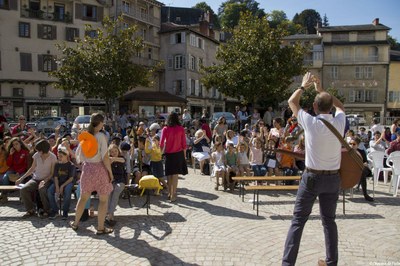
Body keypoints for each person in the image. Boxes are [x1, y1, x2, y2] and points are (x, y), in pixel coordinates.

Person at [282, 72, 346, 266]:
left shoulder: (310, 122)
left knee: (298, 221)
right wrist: (321, 89)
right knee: (329, 222)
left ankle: (287, 264)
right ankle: (331, 262)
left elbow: (292, 101)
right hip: (332, 178)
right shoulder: (339, 121)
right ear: (330, 107)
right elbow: (340, 106)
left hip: (312, 177)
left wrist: (303, 86)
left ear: (316, 107)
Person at [69, 113, 114, 235]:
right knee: (103, 200)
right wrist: (110, 173)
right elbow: (105, 157)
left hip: (87, 169)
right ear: (100, 123)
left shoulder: (85, 136)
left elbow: (79, 156)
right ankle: (100, 228)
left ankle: (75, 223)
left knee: (83, 198)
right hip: (100, 169)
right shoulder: (101, 137)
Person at [16, 139, 57, 218]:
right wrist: (21, 178)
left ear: (43, 150)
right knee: (24, 189)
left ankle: (46, 210)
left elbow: (52, 173)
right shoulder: (36, 155)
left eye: (39, 151)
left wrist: (44, 181)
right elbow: (32, 168)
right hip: (36, 178)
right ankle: (30, 209)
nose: (37, 152)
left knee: (42, 189)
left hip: (47, 179)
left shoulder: (53, 157)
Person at [160, 112, 188, 202]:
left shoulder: (165, 129)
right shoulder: (181, 129)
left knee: (169, 174)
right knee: (175, 175)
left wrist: (160, 153)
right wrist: (184, 155)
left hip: (168, 153)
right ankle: (173, 194)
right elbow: (184, 144)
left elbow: (161, 143)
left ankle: (169, 192)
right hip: (178, 153)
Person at [47, 146, 76, 219]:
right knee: (50, 191)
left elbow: (71, 178)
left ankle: (65, 211)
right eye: (58, 156)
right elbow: (55, 177)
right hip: (58, 182)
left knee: (67, 190)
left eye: (61, 156)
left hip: (67, 182)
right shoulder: (57, 164)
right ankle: (55, 210)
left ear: (66, 155)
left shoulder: (71, 165)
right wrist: (57, 186)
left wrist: (62, 186)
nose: (59, 158)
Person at [106, 144, 127, 226]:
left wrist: (113, 159)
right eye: (111, 152)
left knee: (116, 191)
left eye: (115, 151)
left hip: (121, 181)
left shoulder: (121, 158)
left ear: (118, 151)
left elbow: (123, 161)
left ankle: (109, 214)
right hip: (111, 180)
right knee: (109, 194)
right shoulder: (108, 160)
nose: (114, 153)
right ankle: (111, 217)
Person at [350, 137, 374, 202]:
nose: (352, 145)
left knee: (362, 172)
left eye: (354, 144)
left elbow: (365, 162)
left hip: (361, 168)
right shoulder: (347, 152)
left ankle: (365, 194)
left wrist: (363, 164)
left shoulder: (361, 152)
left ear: (358, 145)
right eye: (350, 143)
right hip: (351, 170)